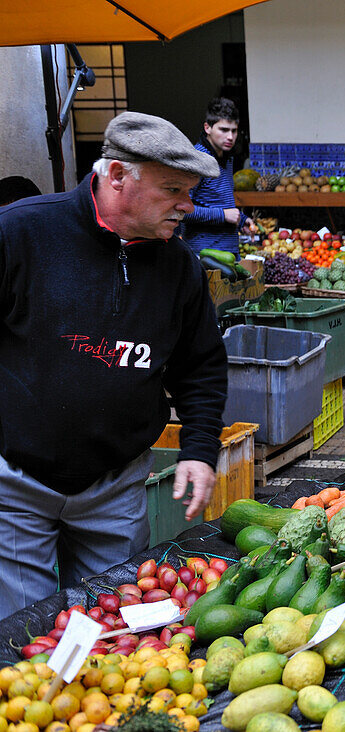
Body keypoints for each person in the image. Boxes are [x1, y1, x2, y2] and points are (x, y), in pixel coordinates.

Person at [0, 111, 228, 618]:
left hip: (116, 487)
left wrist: (198, 448)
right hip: (17, 484)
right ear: (118, 176)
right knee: (25, 637)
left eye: (190, 192)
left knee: (121, 629)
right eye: (174, 190)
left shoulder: (179, 266)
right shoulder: (21, 233)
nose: (188, 207)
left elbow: (202, 366)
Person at [180, 97, 252, 258]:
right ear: (208, 128)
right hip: (203, 256)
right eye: (224, 130)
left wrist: (241, 220)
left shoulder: (227, 158)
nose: (230, 137)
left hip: (229, 254)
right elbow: (182, 210)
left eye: (234, 131)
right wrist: (223, 215)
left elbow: (217, 202)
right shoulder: (196, 160)